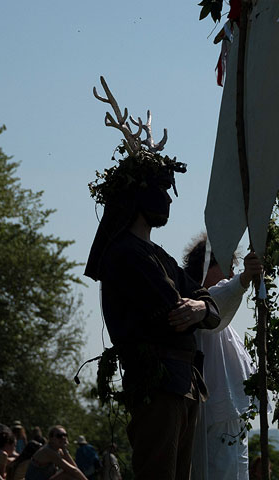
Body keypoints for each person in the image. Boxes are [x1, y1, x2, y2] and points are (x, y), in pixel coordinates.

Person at [84, 83, 221, 480]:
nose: (170, 199)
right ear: (140, 194)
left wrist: (200, 306)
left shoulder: (158, 254)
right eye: (162, 190)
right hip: (157, 383)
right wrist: (195, 305)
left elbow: (204, 307)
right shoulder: (125, 253)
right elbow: (168, 309)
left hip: (184, 382)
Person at [183, 235, 263, 480]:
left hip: (232, 419)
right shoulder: (196, 307)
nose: (231, 272)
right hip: (214, 417)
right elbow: (217, 300)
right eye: (227, 266)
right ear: (207, 267)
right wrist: (244, 279)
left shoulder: (222, 321)